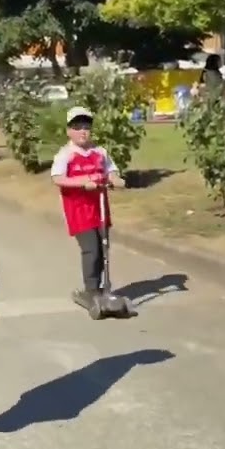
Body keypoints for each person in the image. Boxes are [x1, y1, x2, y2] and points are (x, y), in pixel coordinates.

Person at [50, 107, 127, 305]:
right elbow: (58, 178)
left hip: (99, 208)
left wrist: (115, 180)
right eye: (77, 127)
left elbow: (111, 172)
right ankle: (91, 290)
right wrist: (83, 182)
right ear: (69, 131)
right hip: (78, 209)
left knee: (103, 247)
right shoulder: (66, 154)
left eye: (86, 127)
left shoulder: (100, 152)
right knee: (91, 249)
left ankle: (101, 287)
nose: (83, 131)